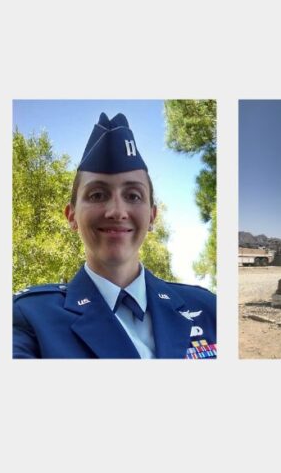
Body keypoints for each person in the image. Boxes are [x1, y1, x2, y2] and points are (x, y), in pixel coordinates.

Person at [13, 112, 216, 359]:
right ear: (71, 216)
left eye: (133, 196)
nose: (117, 212)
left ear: (152, 216)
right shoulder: (29, 317)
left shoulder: (208, 308)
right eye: (97, 195)